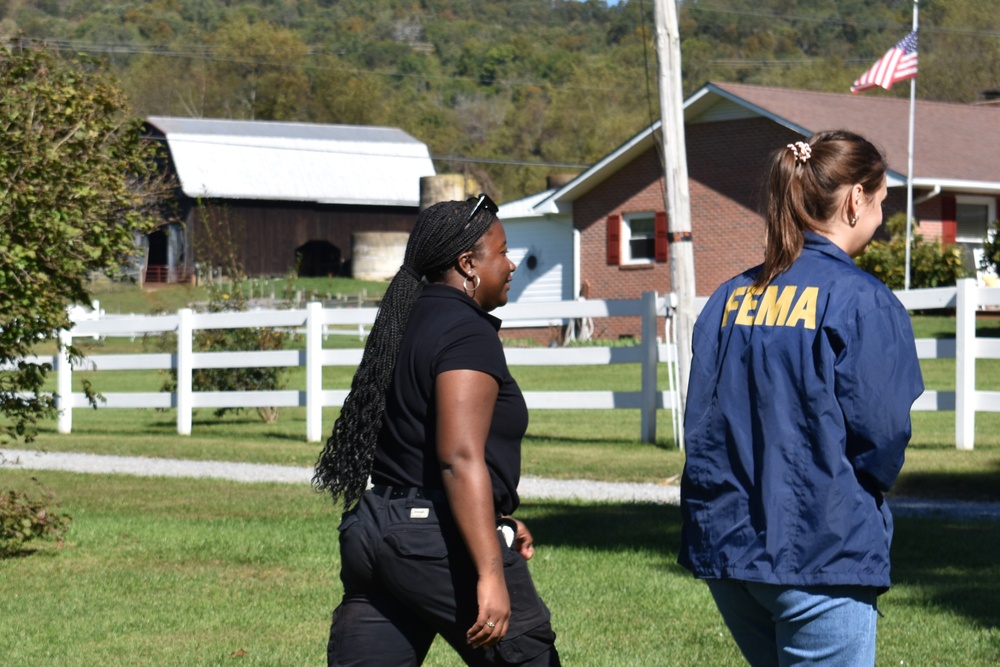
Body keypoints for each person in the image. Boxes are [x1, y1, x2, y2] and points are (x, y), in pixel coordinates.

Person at [679, 131, 924, 666]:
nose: (881, 217)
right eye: (881, 202)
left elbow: (699, 421)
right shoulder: (861, 300)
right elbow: (882, 435)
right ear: (856, 199)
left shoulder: (728, 296)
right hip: (820, 547)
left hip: (728, 547)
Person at [314, 195, 561, 667]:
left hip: (373, 530)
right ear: (468, 264)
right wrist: (490, 571)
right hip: (431, 541)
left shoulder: (406, 321)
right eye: (503, 252)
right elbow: (457, 457)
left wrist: (497, 519)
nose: (512, 265)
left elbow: (416, 448)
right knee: (529, 657)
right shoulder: (467, 332)